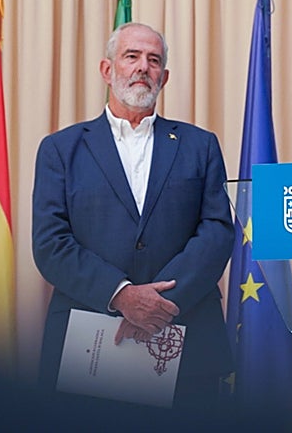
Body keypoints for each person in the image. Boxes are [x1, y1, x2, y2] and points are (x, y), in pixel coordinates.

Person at [32, 22, 234, 408]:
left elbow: (216, 233)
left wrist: (157, 305)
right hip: (91, 346)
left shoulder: (200, 146)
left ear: (165, 76)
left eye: (153, 60)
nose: (143, 67)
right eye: (132, 56)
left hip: (186, 340)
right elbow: (50, 244)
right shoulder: (60, 149)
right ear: (108, 70)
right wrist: (122, 295)